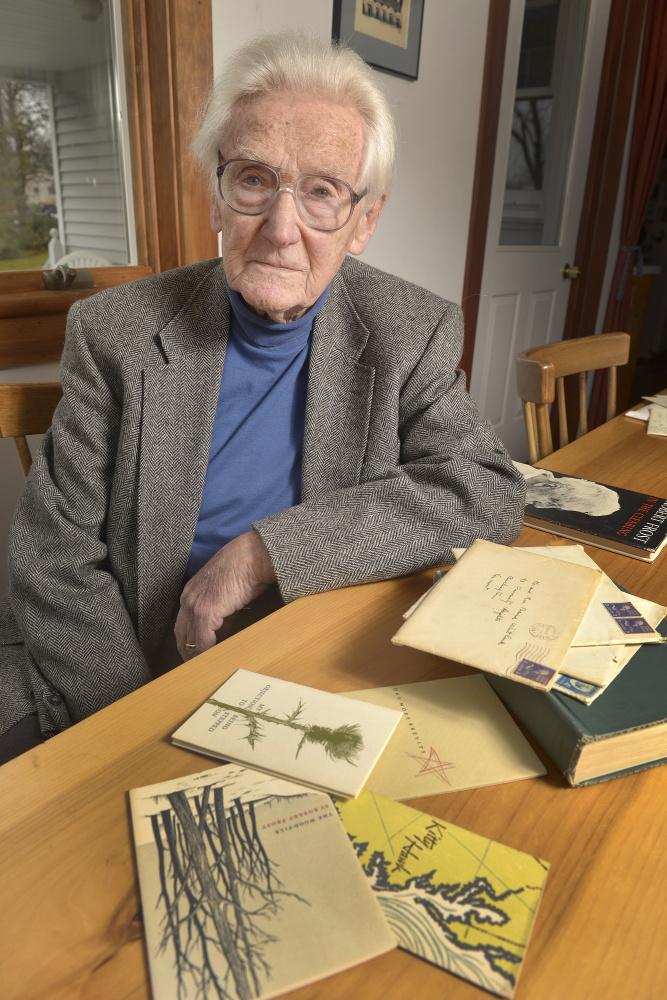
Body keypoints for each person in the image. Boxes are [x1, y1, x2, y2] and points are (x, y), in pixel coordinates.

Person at [0, 30, 525, 763]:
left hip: (313, 665)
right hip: (125, 665)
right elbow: (52, 561)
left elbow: (484, 488)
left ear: (364, 220)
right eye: (253, 179)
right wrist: (140, 729)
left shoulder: (408, 329)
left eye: (321, 192)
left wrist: (265, 552)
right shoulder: (114, 331)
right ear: (217, 194)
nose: (281, 230)